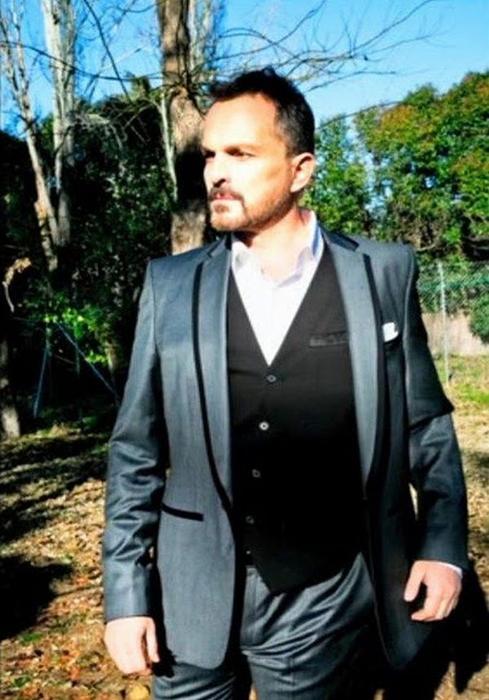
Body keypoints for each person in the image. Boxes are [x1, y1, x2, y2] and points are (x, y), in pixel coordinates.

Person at [102, 68, 469, 699]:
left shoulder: (381, 273)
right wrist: (126, 593)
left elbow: (425, 423)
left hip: (320, 597)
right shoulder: (171, 285)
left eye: (241, 154)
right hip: (187, 595)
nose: (217, 173)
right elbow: (136, 449)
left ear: (300, 170)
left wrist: (442, 545)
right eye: (210, 155)